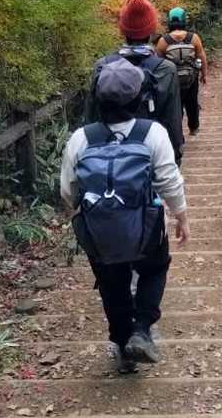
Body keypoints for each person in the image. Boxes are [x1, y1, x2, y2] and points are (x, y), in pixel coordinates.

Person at [61, 59, 189, 368]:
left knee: (110, 281)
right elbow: (169, 180)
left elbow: (68, 190)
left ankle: (121, 342)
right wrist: (181, 216)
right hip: (146, 227)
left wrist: (86, 212)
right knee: (154, 269)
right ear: (139, 97)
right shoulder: (152, 133)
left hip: (100, 230)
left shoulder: (82, 138)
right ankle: (142, 330)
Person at [85, 0, 185, 164]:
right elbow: (172, 120)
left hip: (107, 157)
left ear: (123, 30)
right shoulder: (165, 69)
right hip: (150, 155)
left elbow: (90, 117)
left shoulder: (103, 66)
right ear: (151, 30)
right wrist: (174, 157)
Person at [156, 7, 208, 138]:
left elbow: (158, 63)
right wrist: (204, 74)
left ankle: (177, 132)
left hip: (173, 79)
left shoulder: (164, 41)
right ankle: (194, 127)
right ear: (184, 20)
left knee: (175, 105)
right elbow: (202, 57)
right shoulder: (193, 38)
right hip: (191, 77)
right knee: (192, 102)